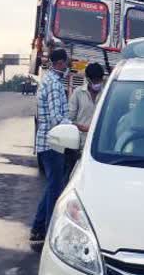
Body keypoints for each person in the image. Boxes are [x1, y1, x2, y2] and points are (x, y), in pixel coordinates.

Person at [30, 49, 71, 245]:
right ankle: (48, 233)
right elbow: (57, 118)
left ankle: (38, 228)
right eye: (66, 63)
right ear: (60, 63)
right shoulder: (54, 85)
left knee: (52, 186)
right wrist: (75, 128)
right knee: (55, 189)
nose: (67, 66)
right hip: (54, 142)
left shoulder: (46, 80)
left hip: (45, 142)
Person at [64, 63, 105, 182]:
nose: (98, 83)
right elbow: (69, 119)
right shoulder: (78, 93)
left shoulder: (106, 93)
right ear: (88, 79)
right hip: (78, 146)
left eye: (99, 80)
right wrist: (81, 127)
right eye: (95, 80)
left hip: (98, 147)